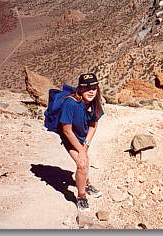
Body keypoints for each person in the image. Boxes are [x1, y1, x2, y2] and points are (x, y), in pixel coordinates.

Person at [58, 73, 104, 211]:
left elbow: (93, 125)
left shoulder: (95, 102)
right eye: (87, 87)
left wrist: (86, 144)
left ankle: (86, 183)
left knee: (85, 159)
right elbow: (66, 130)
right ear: (80, 88)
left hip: (83, 138)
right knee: (82, 164)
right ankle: (81, 196)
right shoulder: (70, 103)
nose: (91, 91)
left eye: (94, 87)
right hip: (69, 137)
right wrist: (81, 150)